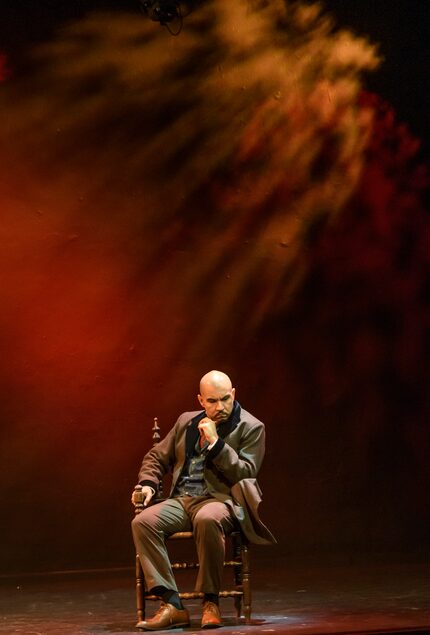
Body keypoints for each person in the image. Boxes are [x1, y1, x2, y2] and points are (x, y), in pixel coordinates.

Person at [131, 370, 275, 630]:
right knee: (143, 521)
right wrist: (148, 484)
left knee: (208, 519)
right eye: (212, 401)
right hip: (183, 499)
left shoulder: (251, 427)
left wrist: (216, 443)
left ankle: (211, 602)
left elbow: (246, 472)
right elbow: (156, 456)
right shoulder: (186, 422)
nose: (220, 407)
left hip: (222, 501)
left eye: (224, 399)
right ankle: (172, 604)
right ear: (200, 400)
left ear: (233, 395)